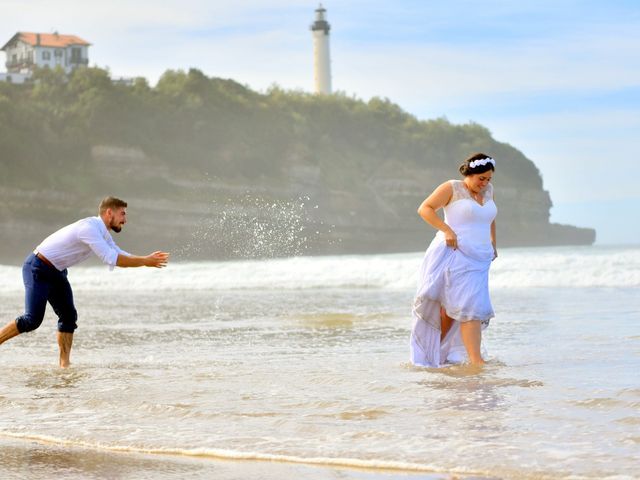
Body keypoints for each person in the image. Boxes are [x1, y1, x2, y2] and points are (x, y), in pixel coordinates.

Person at [0, 196, 170, 367]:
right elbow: (111, 258)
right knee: (32, 320)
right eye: (122, 214)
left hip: (56, 271)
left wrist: (146, 260)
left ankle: (64, 365)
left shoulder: (102, 233)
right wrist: (145, 261)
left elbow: (118, 252)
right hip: (38, 267)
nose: (125, 219)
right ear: (109, 212)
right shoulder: (88, 228)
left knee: (68, 317)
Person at [410, 153, 497, 367]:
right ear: (470, 173)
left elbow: (490, 218)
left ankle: (434, 353)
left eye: (489, 179)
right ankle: (477, 361)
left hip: (480, 257)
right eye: (481, 178)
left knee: (453, 309)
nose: (485, 183)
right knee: (470, 305)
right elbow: (425, 209)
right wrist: (447, 230)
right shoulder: (452, 187)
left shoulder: (488, 191)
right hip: (455, 253)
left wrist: (494, 244)